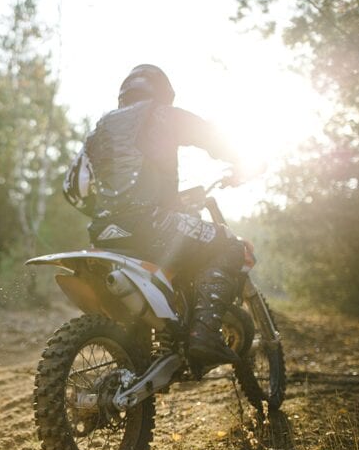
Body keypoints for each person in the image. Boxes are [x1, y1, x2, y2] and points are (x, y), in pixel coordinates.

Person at [64, 64, 252, 377]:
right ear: (163, 93)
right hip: (151, 225)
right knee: (229, 246)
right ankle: (202, 337)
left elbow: (74, 189)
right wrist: (245, 162)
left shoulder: (99, 132)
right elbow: (213, 137)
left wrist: (113, 209)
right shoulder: (163, 114)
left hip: (104, 233)